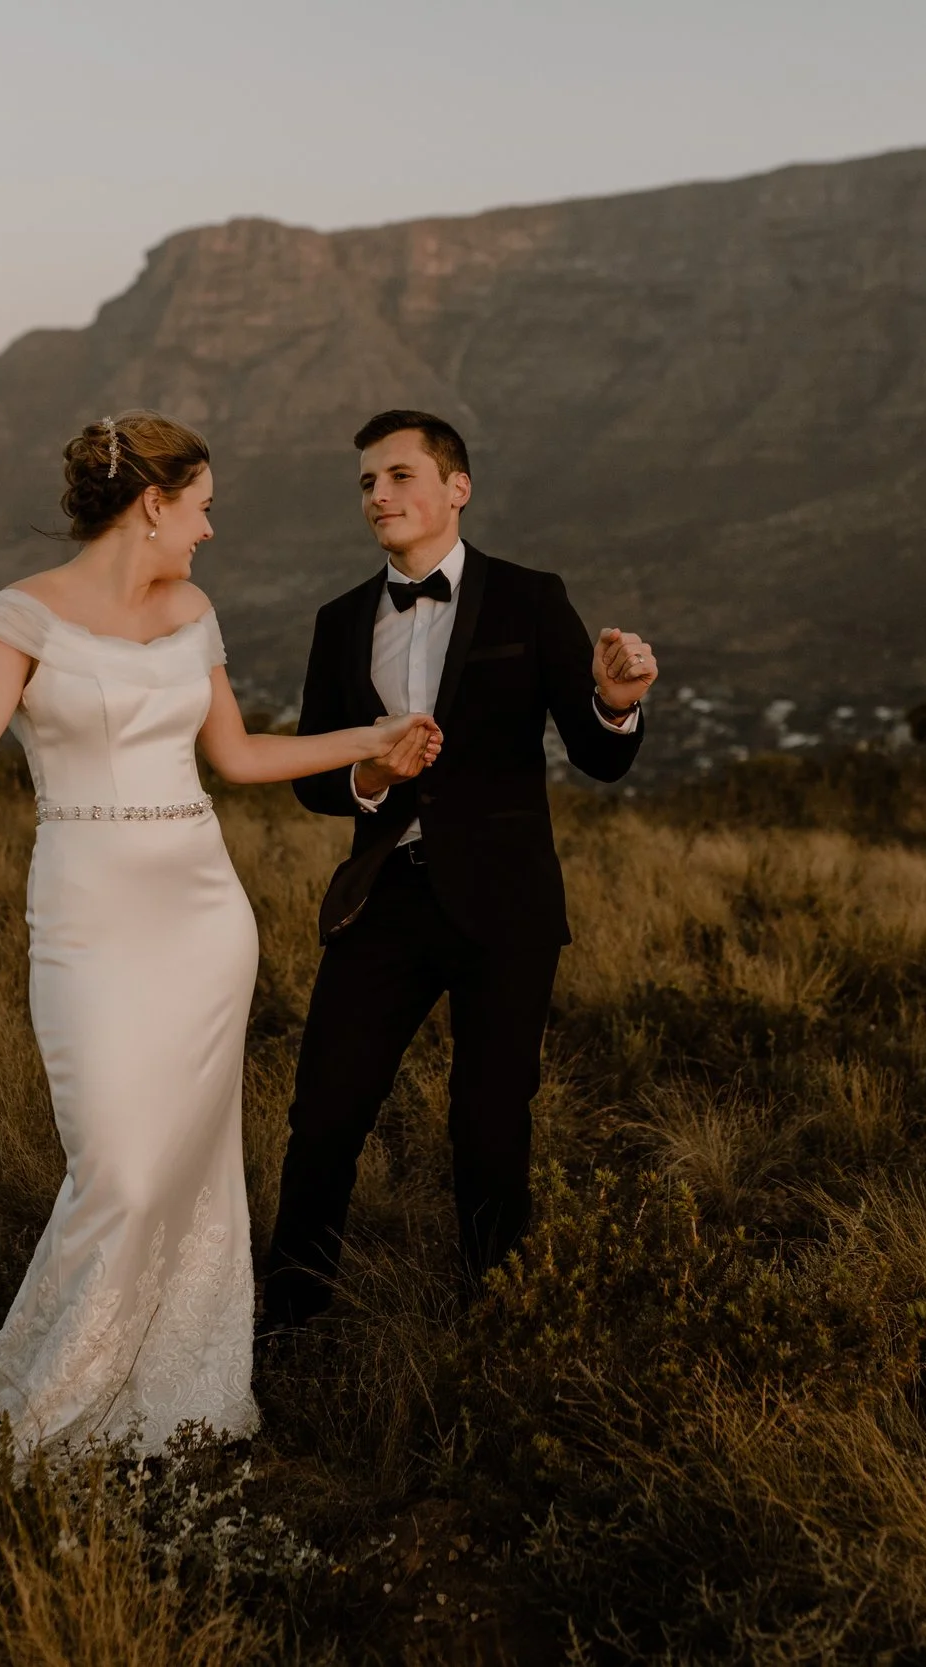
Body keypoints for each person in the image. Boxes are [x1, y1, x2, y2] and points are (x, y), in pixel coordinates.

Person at [0, 410, 440, 1460]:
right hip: (86, 911)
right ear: (153, 503)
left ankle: (174, 1393)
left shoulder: (192, 607)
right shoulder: (19, 615)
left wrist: (376, 737)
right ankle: (54, 1403)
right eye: (202, 508)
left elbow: (240, 755)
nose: (210, 531)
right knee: (118, 1165)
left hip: (204, 913)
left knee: (185, 1163)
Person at [261, 410, 658, 1330]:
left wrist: (612, 703)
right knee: (323, 1116)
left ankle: (497, 1324)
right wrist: (366, 774)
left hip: (505, 907)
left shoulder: (529, 597)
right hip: (384, 902)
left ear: (456, 488)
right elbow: (318, 782)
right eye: (366, 482)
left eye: (399, 476)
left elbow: (600, 762)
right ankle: (291, 1319)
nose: (378, 496)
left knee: (488, 1130)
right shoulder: (338, 622)